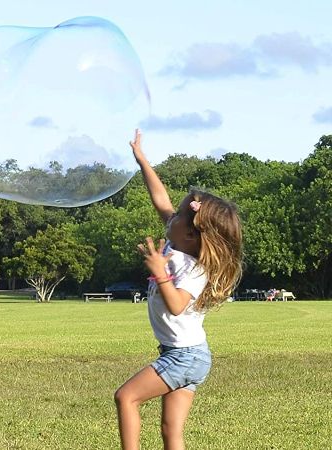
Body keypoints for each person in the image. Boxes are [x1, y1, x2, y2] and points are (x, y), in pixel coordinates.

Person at [114, 129, 243, 450]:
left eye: (178, 213)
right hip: (184, 354)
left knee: (126, 397)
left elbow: (176, 304)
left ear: (191, 233)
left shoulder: (193, 268)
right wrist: (142, 159)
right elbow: (160, 198)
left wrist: (161, 274)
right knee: (171, 432)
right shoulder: (177, 242)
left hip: (185, 357)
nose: (169, 215)